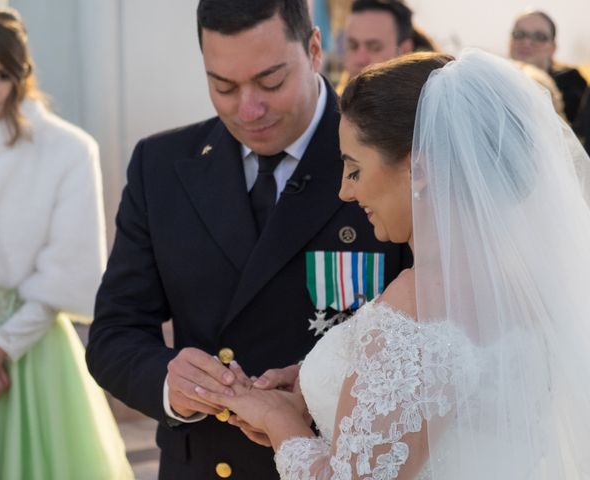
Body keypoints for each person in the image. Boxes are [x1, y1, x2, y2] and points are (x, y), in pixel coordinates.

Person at [194, 49, 590, 478]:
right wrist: (314, 382)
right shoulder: (529, 285)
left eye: (355, 169)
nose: (345, 191)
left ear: (417, 169)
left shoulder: (420, 301)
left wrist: (278, 421)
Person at [86, 0, 412, 478]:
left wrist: (316, 385)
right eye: (223, 86)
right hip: (204, 462)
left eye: (271, 82)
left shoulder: (385, 154)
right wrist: (169, 382)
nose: (249, 108)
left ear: (314, 49)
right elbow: (114, 334)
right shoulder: (160, 166)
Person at [0, 8, 133, 479]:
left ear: (22, 77)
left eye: (3, 74)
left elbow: (69, 272)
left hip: (35, 358)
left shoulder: (68, 152)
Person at [335, 0, 436, 94]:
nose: (360, 59)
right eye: (353, 46)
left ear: (405, 51)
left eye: (375, 48)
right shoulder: (332, 106)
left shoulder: (429, 103)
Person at [509, 10, 587, 124]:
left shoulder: (570, 84)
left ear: (553, 47)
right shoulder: (492, 81)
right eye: (519, 34)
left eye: (539, 36)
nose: (526, 42)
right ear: (510, 41)